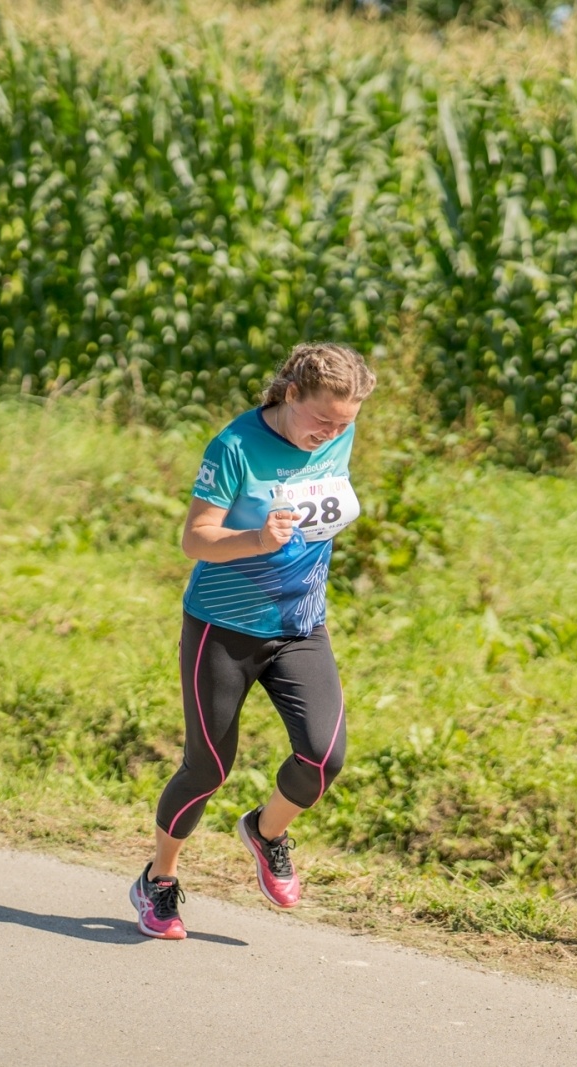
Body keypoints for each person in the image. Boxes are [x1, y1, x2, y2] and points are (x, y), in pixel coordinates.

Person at [129, 342, 377, 940]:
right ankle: (158, 880)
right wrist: (257, 541)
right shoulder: (235, 447)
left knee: (324, 756)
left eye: (346, 424)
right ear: (291, 393)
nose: (332, 434)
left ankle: (266, 832)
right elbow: (196, 539)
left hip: (300, 625)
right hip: (224, 627)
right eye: (323, 419)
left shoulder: (335, 432)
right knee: (207, 768)